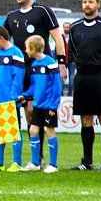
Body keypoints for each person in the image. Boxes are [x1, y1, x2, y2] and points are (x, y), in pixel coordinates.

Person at [4, 0, 67, 167]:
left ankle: (40, 158)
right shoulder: (12, 16)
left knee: (35, 110)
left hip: (41, 70)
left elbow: (57, 38)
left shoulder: (43, 11)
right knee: (28, 113)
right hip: (21, 70)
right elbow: (4, 40)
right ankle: (34, 158)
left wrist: (61, 62)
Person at [68, 0, 101, 172]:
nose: (87, 5)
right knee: (85, 118)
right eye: (84, 2)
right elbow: (73, 51)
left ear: (98, 4)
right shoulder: (75, 27)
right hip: (82, 76)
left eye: (90, 2)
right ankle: (87, 161)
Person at [0, 26, 25, 172]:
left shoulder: (16, 53)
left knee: (14, 132)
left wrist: (13, 97)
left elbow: (18, 78)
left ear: (1, 38)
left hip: (9, 100)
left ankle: (16, 163)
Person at [19, 36, 62, 173]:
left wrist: (53, 106)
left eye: (27, 48)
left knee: (50, 131)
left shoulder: (50, 63)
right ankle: (35, 162)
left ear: (33, 49)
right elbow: (33, 86)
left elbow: (57, 86)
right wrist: (25, 95)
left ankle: (53, 165)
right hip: (38, 105)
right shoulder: (34, 65)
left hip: (49, 106)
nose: (25, 50)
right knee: (33, 130)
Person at [63, 21, 76, 96]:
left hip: (72, 61)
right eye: (65, 27)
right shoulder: (61, 37)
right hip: (63, 61)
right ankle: (61, 94)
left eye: (68, 27)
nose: (66, 28)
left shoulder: (73, 37)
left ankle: (70, 94)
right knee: (61, 78)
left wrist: (75, 60)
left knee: (72, 78)